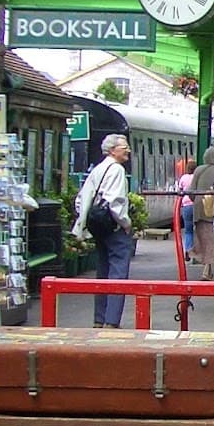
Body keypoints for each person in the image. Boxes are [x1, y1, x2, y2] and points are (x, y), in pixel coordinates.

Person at [71, 133, 133, 327]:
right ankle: (112, 321)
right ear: (113, 150)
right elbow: (116, 202)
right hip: (113, 227)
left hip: (98, 227)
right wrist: (126, 223)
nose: (128, 150)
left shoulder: (98, 169)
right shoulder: (117, 170)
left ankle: (99, 318)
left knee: (103, 270)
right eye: (124, 147)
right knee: (118, 273)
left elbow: (81, 198)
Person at [188, 145, 214, 280]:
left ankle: (207, 271)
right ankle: (208, 271)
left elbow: (191, 191)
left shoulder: (199, 170)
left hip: (200, 208)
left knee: (206, 240)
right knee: (213, 241)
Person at [176, 168, 195, 262]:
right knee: (197, 229)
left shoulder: (183, 178)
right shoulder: (196, 177)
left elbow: (179, 190)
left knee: (188, 231)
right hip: (196, 205)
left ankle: (188, 250)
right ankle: (195, 251)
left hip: (186, 206)